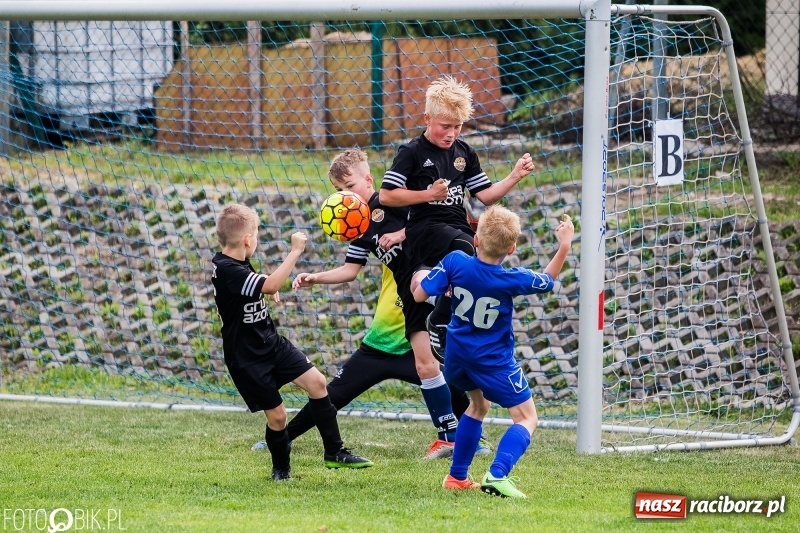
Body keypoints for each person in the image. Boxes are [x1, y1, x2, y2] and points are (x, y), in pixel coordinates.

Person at [291, 149, 470, 459]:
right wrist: (315, 278)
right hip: (392, 327)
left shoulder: (396, 204)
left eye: (349, 186)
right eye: (338, 191)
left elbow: (431, 222)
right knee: (341, 391)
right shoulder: (357, 223)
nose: (345, 196)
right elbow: (350, 270)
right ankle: (281, 435)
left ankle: (463, 439)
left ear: (369, 179)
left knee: (448, 377)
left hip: (422, 298)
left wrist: (402, 233)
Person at [411, 205, 574, 498]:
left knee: (478, 405)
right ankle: (497, 475)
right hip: (492, 361)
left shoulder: (454, 262)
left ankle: (457, 477)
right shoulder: (511, 279)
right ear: (511, 248)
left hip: (456, 357)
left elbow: (421, 293)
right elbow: (547, 281)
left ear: (475, 238)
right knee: (526, 418)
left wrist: (428, 278)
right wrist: (564, 245)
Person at [379, 75, 537, 360]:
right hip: (424, 229)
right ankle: (440, 320)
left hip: (456, 228)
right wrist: (427, 195)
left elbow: (485, 196)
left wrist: (515, 176)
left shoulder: (465, 152)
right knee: (467, 250)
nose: (451, 133)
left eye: (458, 126)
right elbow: (387, 195)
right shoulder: (411, 152)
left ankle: (457, 321)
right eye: (445, 126)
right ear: (427, 118)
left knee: (470, 261)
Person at [211, 203, 373, 481]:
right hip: (247, 358)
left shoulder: (237, 263)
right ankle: (281, 470)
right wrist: (295, 250)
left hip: (271, 343)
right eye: (258, 234)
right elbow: (270, 284)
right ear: (248, 239)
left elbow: (256, 286)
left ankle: (334, 451)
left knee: (318, 383)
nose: (257, 239)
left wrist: (262, 290)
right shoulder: (225, 268)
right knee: (277, 417)